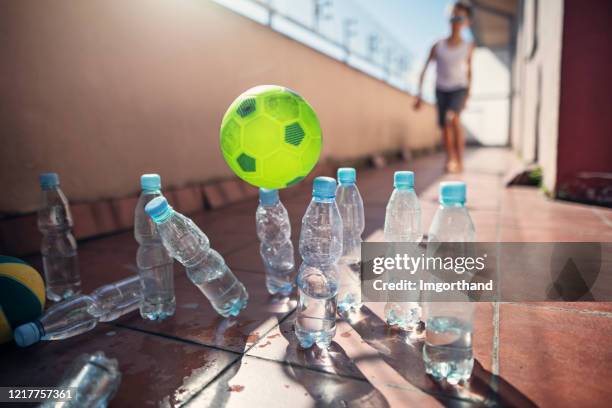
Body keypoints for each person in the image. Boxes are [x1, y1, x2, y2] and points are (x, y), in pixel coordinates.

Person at [414, 2, 474, 173]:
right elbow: (424, 69)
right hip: (441, 89)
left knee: (452, 118)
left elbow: (470, 71)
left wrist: (468, 93)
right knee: (444, 126)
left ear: (466, 22)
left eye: (460, 18)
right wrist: (418, 94)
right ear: (448, 20)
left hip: (459, 88)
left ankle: (459, 160)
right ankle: (450, 159)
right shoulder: (437, 45)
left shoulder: (468, 46)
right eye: (453, 17)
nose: (456, 21)